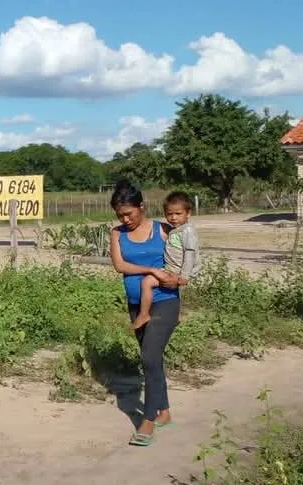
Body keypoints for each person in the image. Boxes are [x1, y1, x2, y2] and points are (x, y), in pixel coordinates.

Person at [108, 181, 188, 447]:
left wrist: (178, 282)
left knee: (149, 356)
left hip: (165, 301)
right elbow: (120, 266)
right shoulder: (117, 234)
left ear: (142, 206)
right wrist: (150, 270)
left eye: (129, 213)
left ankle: (149, 420)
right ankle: (164, 412)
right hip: (136, 304)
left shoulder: (163, 230)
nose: (125, 218)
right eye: (120, 214)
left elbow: (184, 259)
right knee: (152, 360)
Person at [131, 191, 201, 330]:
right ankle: (175, 316)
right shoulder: (177, 229)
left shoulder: (187, 231)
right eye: (169, 214)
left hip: (177, 269)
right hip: (173, 267)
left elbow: (190, 253)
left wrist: (185, 275)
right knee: (174, 291)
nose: (173, 217)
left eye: (178, 214)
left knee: (146, 282)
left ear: (188, 213)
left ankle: (144, 314)